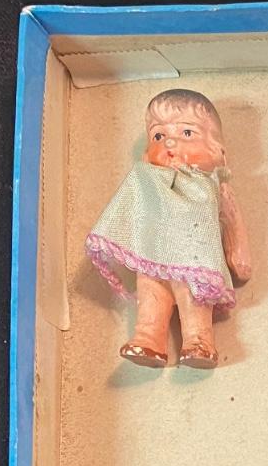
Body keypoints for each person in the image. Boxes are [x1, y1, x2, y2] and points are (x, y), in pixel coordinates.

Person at [85, 89, 251, 368]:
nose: (170, 142)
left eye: (187, 133)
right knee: (151, 295)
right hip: (153, 258)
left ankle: (199, 340)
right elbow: (130, 212)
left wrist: (238, 253)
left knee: (194, 301)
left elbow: (230, 217)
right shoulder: (146, 183)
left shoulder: (212, 186)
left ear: (218, 150)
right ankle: (148, 337)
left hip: (196, 261)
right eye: (158, 136)